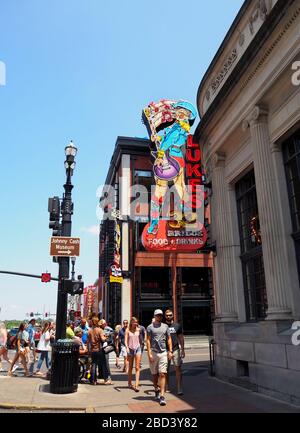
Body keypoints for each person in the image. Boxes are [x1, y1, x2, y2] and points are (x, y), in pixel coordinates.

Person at [146, 309, 173, 406]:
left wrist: (170, 351)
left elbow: (169, 339)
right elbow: (148, 340)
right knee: (154, 374)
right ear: (154, 316)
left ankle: (162, 396)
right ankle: (156, 389)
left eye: (161, 315)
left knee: (162, 374)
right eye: (157, 315)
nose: (159, 317)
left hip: (163, 353)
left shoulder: (165, 326)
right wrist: (149, 353)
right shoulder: (149, 327)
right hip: (153, 352)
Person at [165, 308, 185, 395]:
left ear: (173, 315)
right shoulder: (163, 326)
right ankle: (166, 386)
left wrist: (183, 349)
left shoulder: (177, 325)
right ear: (165, 316)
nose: (169, 317)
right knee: (165, 370)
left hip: (176, 349)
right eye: (167, 315)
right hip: (165, 351)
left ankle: (179, 388)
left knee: (178, 369)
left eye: (170, 315)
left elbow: (181, 337)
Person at [87, 317, 112, 385]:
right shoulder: (100, 330)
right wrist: (106, 337)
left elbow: (88, 342)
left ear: (92, 322)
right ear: (97, 322)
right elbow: (103, 339)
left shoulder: (89, 331)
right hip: (99, 350)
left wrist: (88, 350)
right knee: (104, 364)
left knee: (94, 364)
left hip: (92, 350)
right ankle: (106, 379)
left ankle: (94, 380)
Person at [125, 317, 142, 392]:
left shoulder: (139, 329)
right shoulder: (127, 330)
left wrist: (142, 345)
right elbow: (125, 341)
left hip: (137, 348)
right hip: (130, 349)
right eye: (134, 322)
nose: (135, 324)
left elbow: (141, 339)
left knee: (137, 367)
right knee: (131, 367)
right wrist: (127, 348)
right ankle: (129, 382)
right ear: (131, 322)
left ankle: (136, 385)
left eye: (136, 322)